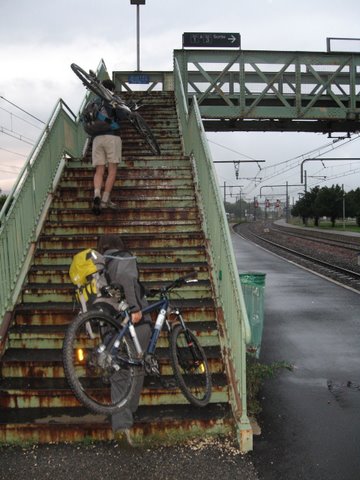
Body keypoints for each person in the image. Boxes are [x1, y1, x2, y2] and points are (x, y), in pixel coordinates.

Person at [96, 234, 152, 441]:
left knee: (118, 374)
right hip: (135, 324)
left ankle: (121, 425)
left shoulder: (98, 265)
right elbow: (128, 281)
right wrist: (136, 308)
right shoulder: (123, 258)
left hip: (109, 326)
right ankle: (129, 410)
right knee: (137, 368)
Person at [84, 79, 125, 215]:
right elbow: (122, 115)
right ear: (112, 89)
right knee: (112, 169)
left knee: (99, 170)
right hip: (112, 136)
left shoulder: (93, 101)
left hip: (96, 138)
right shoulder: (113, 98)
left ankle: (96, 194)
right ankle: (105, 199)